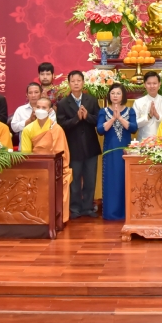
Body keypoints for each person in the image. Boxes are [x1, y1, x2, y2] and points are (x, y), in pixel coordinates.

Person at [57, 70, 101, 219]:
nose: (76, 83)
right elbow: (61, 125)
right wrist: (77, 118)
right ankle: (74, 208)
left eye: (78, 80)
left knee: (90, 179)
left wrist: (87, 116)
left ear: (83, 82)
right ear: (69, 83)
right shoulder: (62, 103)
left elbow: (98, 120)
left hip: (90, 146)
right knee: (74, 181)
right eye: (73, 81)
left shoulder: (92, 100)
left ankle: (88, 207)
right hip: (72, 147)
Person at [21, 97, 72, 222]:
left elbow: (62, 154)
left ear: (49, 110)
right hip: (36, 168)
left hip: (54, 168)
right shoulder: (28, 129)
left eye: (44, 108)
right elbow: (27, 155)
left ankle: (57, 218)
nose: (40, 110)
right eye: (38, 107)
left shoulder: (57, 129)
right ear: (34, 109)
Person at [97, 83, 137, 220]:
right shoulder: (103, 111)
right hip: (110, 153)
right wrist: (113, 118)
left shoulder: (130, 111)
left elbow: (133, 128)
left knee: (124, 182)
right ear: (109, 95)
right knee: (111, 182)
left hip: (125, 154)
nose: (115, 96)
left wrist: (120, 118)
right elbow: (101, 130)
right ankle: (110, 214)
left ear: (123, 96)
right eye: (113, 93)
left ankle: (126, 213)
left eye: (118, 93)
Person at [133, 71, 162, 139]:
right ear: (144, 85)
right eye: (149, 83)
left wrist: (158, 116)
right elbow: (134, 124)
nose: (152, 86)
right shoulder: (138, 102)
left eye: (154, 83)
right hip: (143, 141)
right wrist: (148, 116)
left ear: (159, 84)